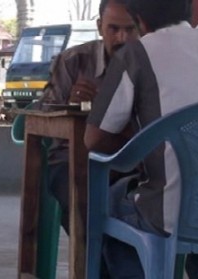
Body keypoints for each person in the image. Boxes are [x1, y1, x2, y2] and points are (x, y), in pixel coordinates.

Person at [84, 0, 198, 277]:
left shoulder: (136, 54)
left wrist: (144, 145)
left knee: (111, 200)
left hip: (169, 214)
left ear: (139, 19)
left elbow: (94, 139)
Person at [37, 0, 140, 235]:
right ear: (99, 26)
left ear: (141, 27)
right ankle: (94, 265)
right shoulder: (73, 61)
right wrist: (71, 107)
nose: (122, 37)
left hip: (132, 160)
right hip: (73, 160)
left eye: (130, 29)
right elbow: (43, 116)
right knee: (84, 201)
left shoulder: (151, 64)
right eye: (114, 29)